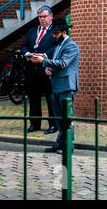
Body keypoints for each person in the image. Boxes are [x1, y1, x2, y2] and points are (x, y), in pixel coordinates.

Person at [31, 18, 80, 153]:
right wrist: (49, 69)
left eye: (55, 33)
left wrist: (44, 61)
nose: (53, 36)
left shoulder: (71, 46)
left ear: (64, 32)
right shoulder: (59, 45)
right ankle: (60, 144)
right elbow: (56, 63)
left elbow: (63, 63)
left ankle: (68, 147)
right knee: (59, 118)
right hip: (56, 85)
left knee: (67, 118)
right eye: (53, 33)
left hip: (67, 86)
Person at [20, 5, 57, 134]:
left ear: (51, 17)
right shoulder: (32, 31)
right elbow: (23, 46)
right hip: (31, 70)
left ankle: (53, 125)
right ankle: (35, 124)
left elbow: (58, 47)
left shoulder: (56, 31)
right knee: (33, 97)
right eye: (40, 17)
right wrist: (28, 54)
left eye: (44, 17)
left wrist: (44, 55)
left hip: (46, 69)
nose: (42, 19)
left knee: (50, 98)